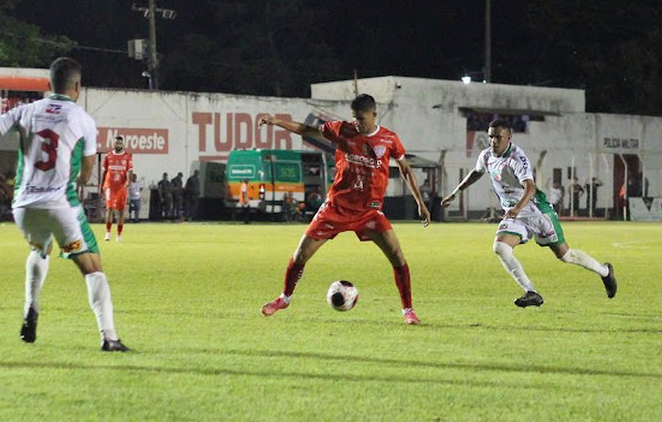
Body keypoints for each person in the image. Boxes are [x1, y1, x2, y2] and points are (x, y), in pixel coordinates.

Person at [0, 57, 129, 351]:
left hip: (24, 206)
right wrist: (75, 172)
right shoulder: (83, 119)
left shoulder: (27, 110)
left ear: (48, 86)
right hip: (60, 205)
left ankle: (30, 309)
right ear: (77, 87)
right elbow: (85, 175)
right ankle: (109, 337)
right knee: (93, 268)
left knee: (39, 249)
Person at [258, 94, 431, 325]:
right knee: (301, 254)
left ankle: (408, 310)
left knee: (397, 257)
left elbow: (406, 169)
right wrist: (277, 121)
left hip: (369, 212)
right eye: (354, 118)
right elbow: (308, 130)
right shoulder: (342, 129)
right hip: (336, 207)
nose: (357, 123)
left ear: (373, 115)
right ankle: (284, 298)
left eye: (361, 118)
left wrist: (420, 202)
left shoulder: (389, 139)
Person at [441, 118, 616, 308]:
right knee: (500, 248)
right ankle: (531, 292)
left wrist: (517, 208)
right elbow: (476, 172)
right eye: (491, 137)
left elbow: (530, 188)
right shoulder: (486, 156)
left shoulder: (517, 158)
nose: (493, 141)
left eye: (498, 137)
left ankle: (605, 271)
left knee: (566, 256)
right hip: (515, 215)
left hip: (537, 212)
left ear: (509, 137)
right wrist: (455, 193)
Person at [100, 135, 133, 242]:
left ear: (122, 144)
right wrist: (101, 185)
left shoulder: (128, 156)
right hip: (109, 186)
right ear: (113, 144)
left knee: (121, 211)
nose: (118, 145)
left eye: (120, 143)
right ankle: (108, 233)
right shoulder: (108, 156)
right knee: (109, 209)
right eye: (116, 143)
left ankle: (119, 235)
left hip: (121, 187)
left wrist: (128, 181)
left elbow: (130, 170)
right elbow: (104, 171)